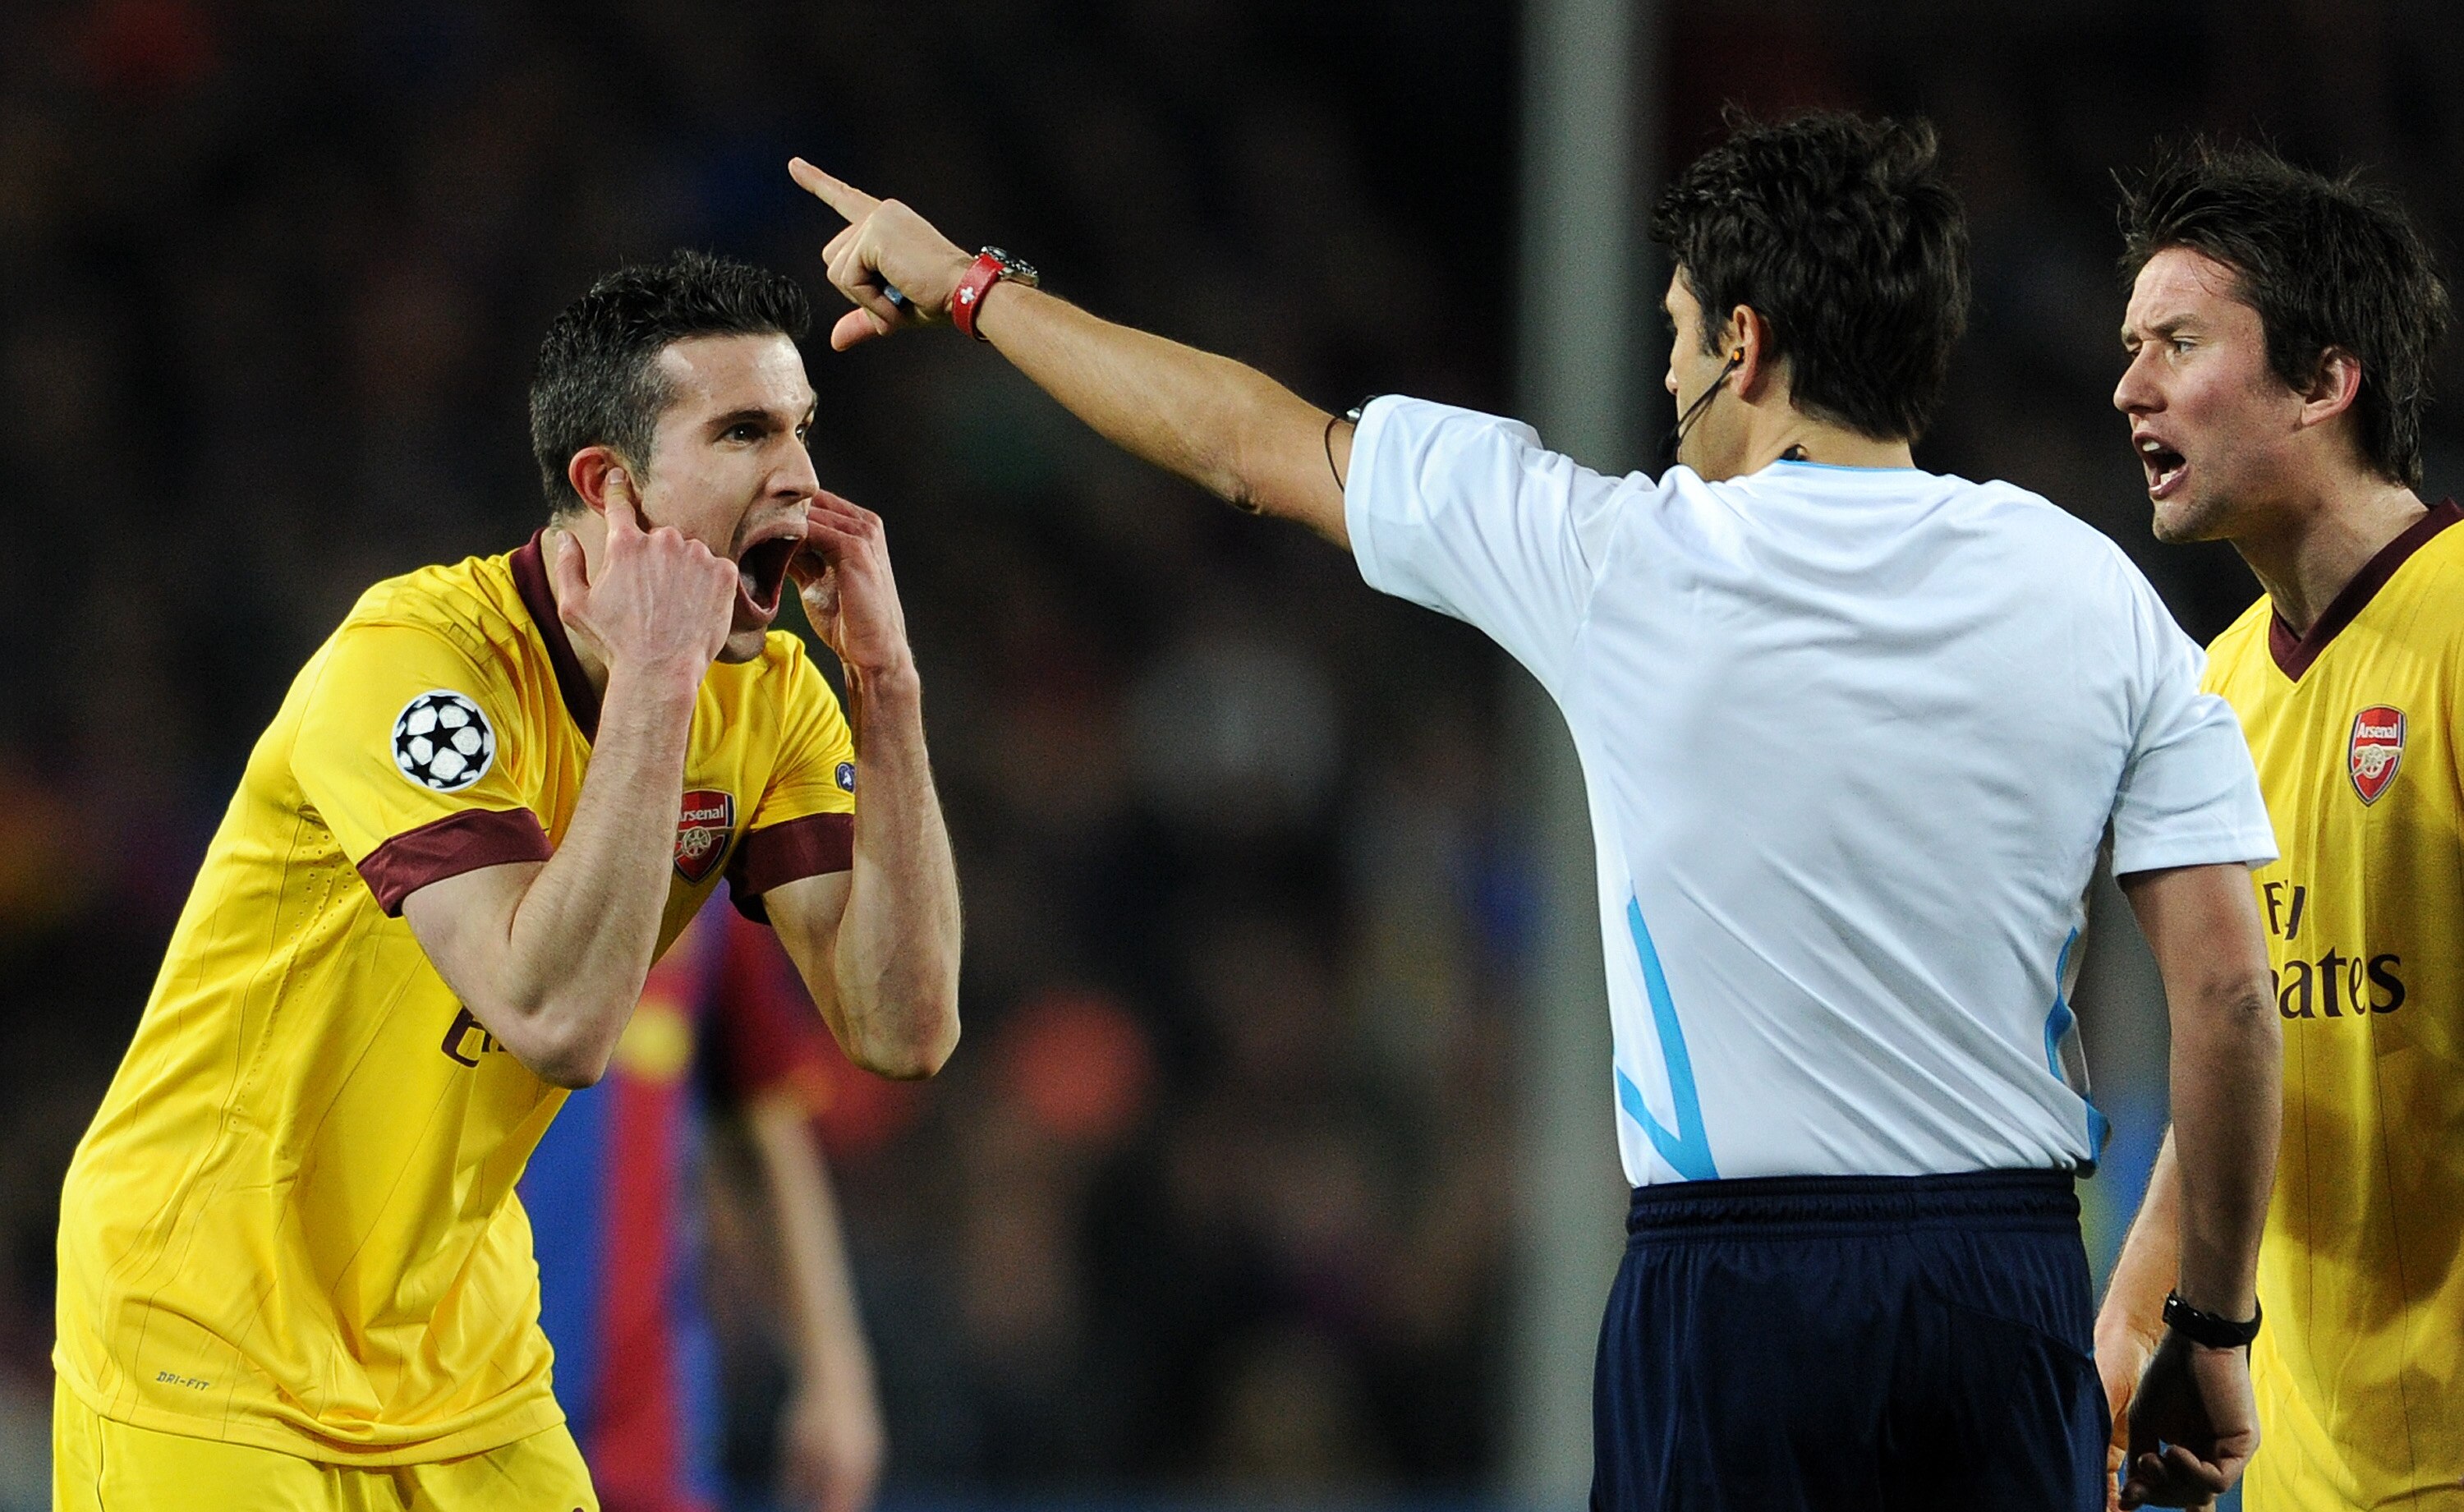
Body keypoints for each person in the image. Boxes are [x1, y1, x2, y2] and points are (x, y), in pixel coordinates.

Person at [787, 111, 2282, 1510]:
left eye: (1675, 335)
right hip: (2001, 1280)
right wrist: (2206, 1324)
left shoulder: (1615, 559)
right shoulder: (2094, 591)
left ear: (1742, 345)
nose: (1664, 374)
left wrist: (969, 287)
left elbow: (1242, 442)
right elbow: (2224, 990)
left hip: (1735, 1297)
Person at [51, 250, 962, 1510]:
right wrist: (657, 682)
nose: (803, 481)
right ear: (610, 484)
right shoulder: (412, 665)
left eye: (804, 429)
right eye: (745, 432)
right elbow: (556, 1021)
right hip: (208, 1323)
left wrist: (888, 692)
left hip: (455, 1343)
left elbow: (905, 1028)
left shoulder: (772, 700)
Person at [2099, 142, 2462, 1511]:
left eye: (2178, 342)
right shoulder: (2219, 691)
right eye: (2130, 348)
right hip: (2306, 1477)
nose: (2130, 386)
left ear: (2324, 379)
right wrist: (2143, 1308)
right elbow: (2248, 1042)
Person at [522, 887, 885, 1512]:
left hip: (645, 1437)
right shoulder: (450, 837)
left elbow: (763, 1130)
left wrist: (835, 1374)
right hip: (453, 1418)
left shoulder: (700, 873)